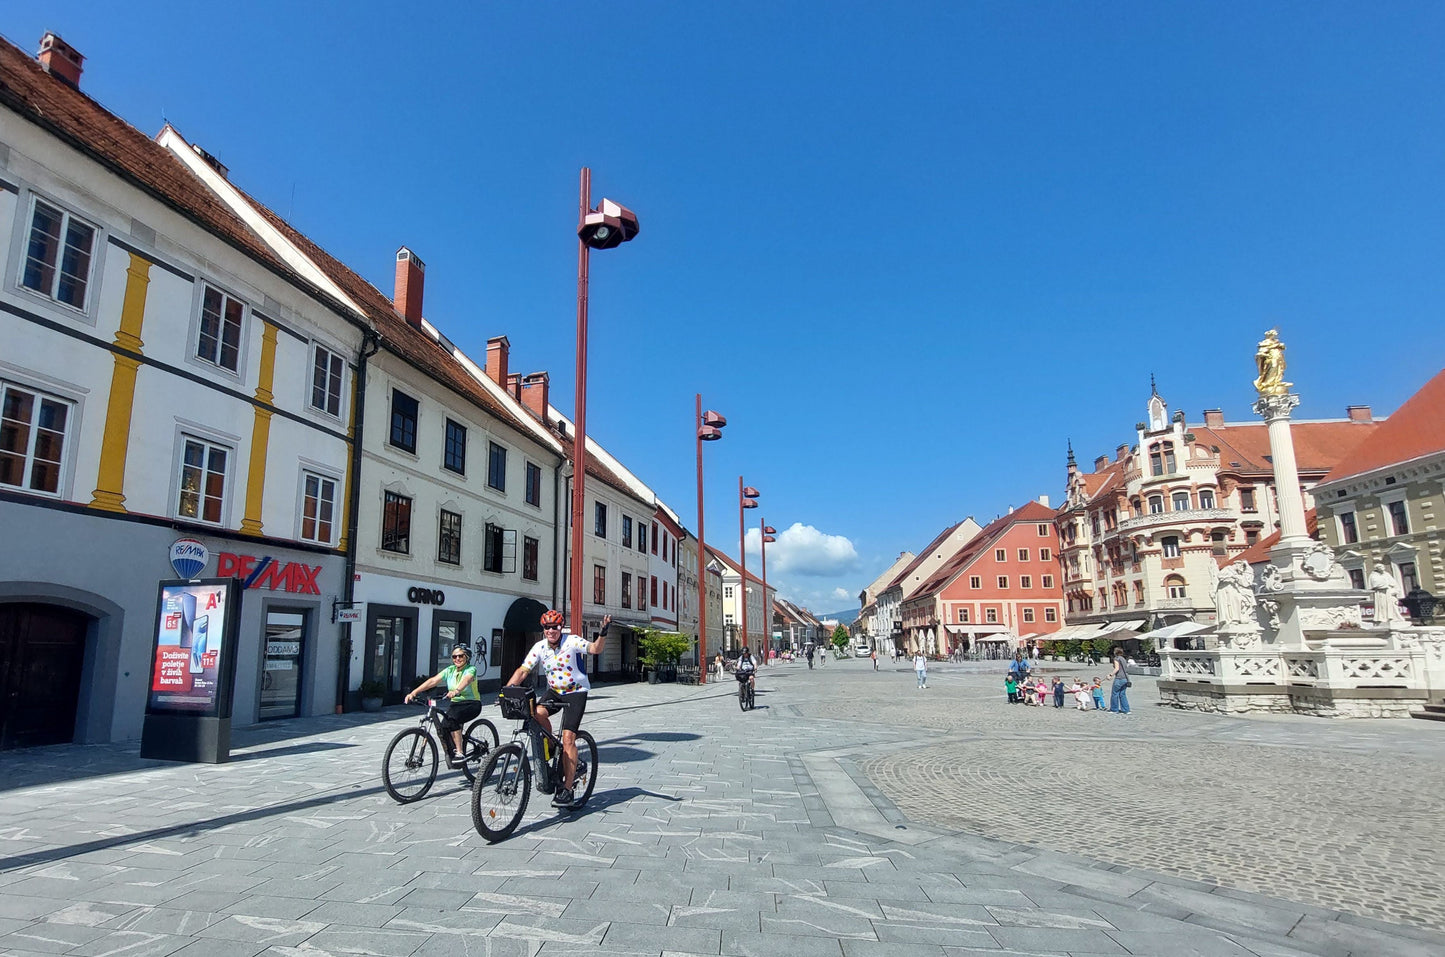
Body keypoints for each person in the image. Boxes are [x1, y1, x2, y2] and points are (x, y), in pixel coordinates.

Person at [505, 609, 610, 807]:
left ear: (561, 627)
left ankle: (567, 790)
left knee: (569, 738)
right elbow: (523, 670)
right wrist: (507, 690)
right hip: (554, 690)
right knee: (535, 713)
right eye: (547, 627)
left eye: (555, 627)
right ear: (543, 629)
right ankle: (553, 747)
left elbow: (595, 649)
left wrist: (603, 632)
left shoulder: (571, 642)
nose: (551, 631)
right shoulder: (540, 647)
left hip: (576, 691)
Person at [405, 644, 481, 762]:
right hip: (455, 704)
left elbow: (467, 679)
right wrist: (414, 692)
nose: (457, 659)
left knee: (452, 719)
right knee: (443, 726)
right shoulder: (450, 670)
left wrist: (457, 690)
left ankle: (460, 752)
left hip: (471, 704)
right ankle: (452, 751)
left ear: (467, 657)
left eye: (460, 656)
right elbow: (433, 681)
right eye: (454, 656)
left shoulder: (471, 669)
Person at [1109, 647, 1131, 715]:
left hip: (1119, 678)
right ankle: (1126, 710)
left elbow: (1117, 668)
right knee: (1122, 694)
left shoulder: (1116, 659)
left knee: (1115, 694)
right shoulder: (1123, 659)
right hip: (1125, 678)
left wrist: (1110, 675)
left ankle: (1114, 709)